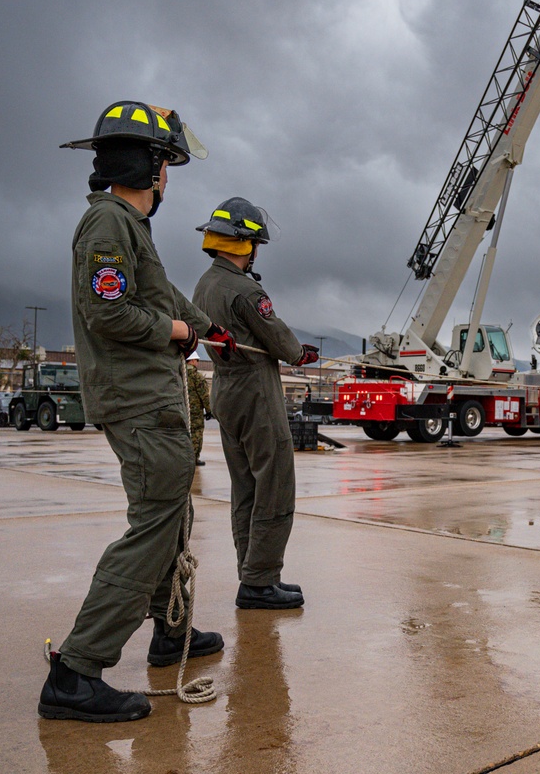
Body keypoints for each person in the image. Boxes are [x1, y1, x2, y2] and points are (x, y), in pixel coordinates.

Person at [39, 101, 237, 723]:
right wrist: (177, 328)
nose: (169, 178)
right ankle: (77, 672)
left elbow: (155, 288)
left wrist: (207, 326)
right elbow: (110, 313)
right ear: (149, 166)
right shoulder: (107, 227)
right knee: (154, 526)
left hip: (150, 397)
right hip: (140, 400)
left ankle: (167, 634)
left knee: (169, 516)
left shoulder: (128, 226)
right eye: (166, 164)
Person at [192, 197, 318, 610]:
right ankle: (261, 581)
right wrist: (301, 353)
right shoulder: (245, 290)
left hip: (224, 391)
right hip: (254, 389)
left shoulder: (205, 283)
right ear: (246, 243)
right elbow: (279, 340)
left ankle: (251, 575)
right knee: (275, 483)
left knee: (244, 487)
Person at [186, 351, 213, 465]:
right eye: (197, 360)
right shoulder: (197, 377)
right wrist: (209, 410)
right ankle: (194, 458)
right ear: (192, 361)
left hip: (182, 408)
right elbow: (204, 396)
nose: (197, 363)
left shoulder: (178, 374)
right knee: (196, 433)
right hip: (195, 411)